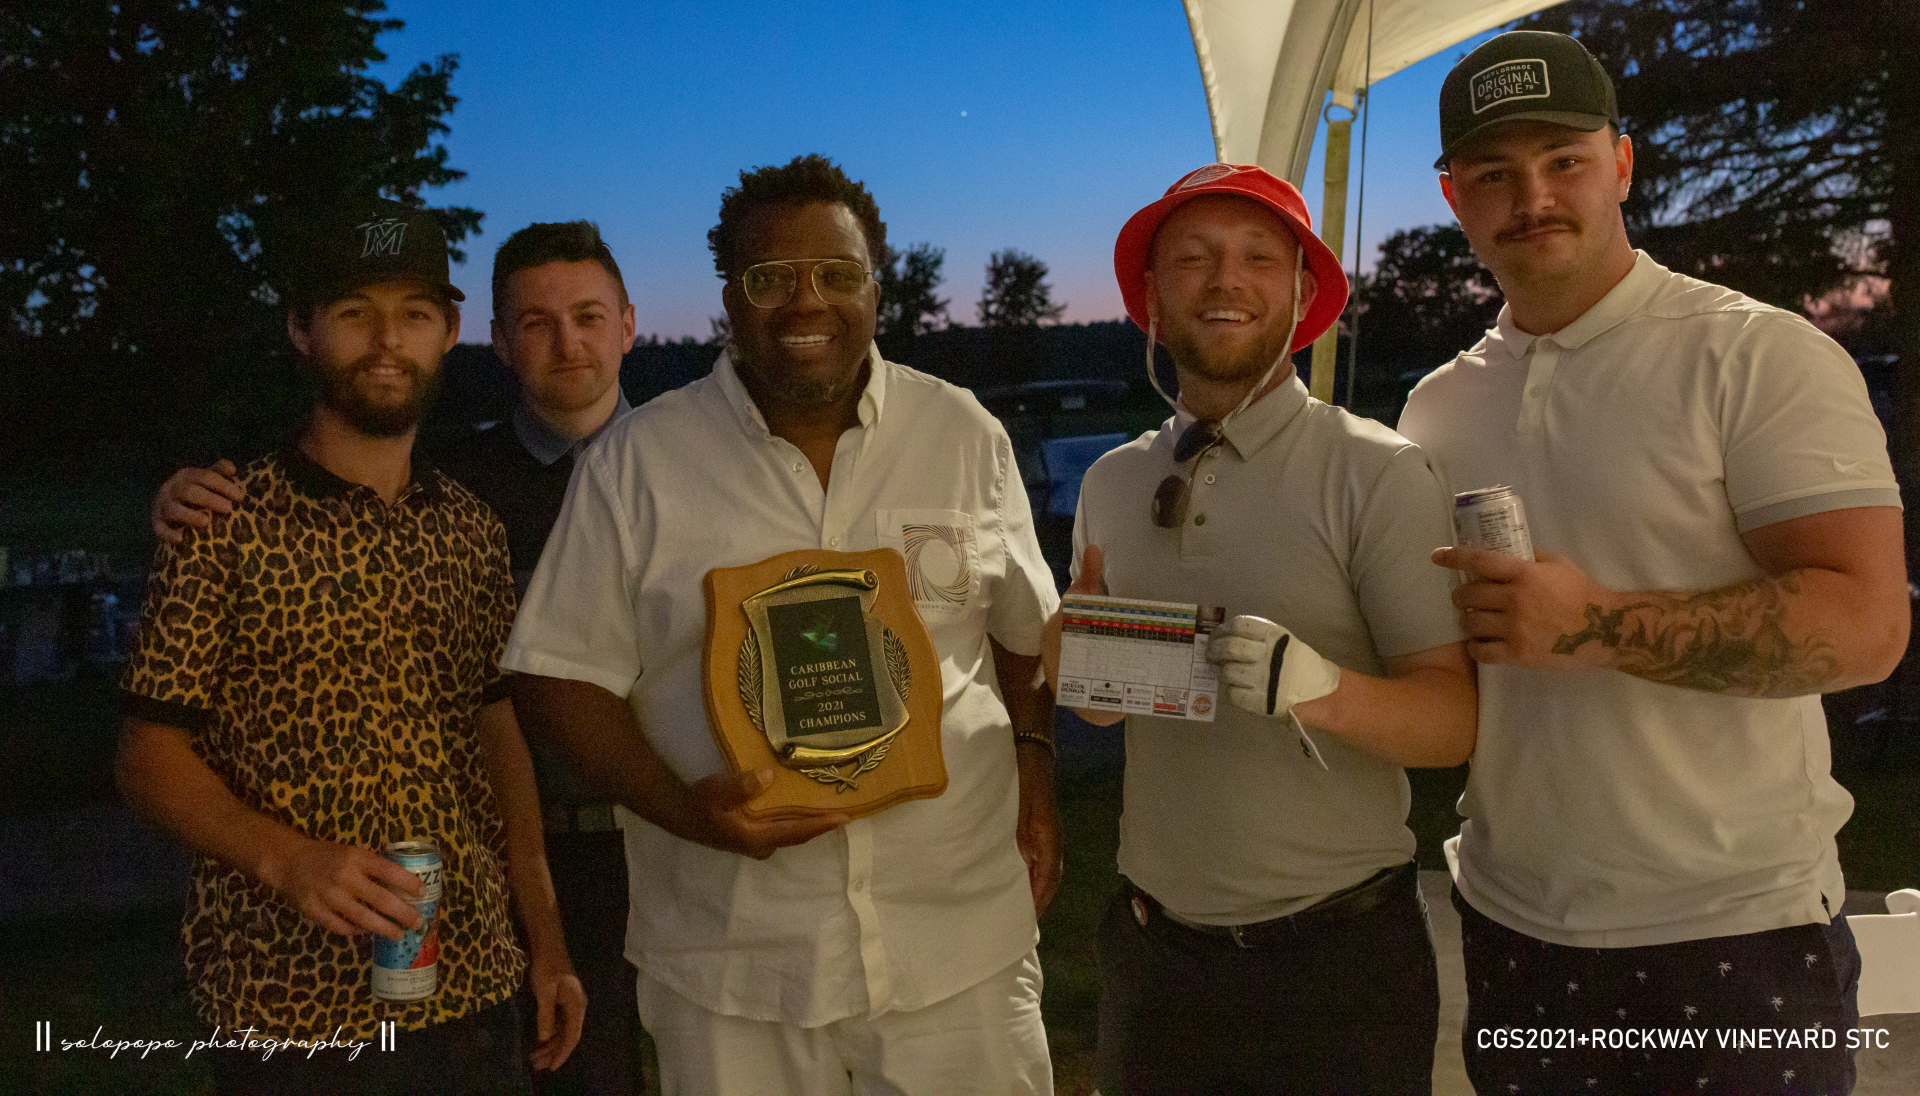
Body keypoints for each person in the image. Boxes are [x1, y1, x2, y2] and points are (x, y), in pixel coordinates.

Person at [1396, 30, 1908, 1095]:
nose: (1532, 197)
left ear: (1622, 164)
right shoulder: (1438, 406)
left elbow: (1867, 627)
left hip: (1739, 932)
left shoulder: (1756, 354)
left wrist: (1594, 625)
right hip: (1512, 925)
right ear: (1454, 198)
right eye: (1494, 174)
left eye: (1565, 161)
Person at [502, 153, 1061, 1095]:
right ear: (729, 296)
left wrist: (1036, 775)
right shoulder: (638, 463)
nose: (808, 301)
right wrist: (686, 812)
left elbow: (1021, 631)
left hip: (957, 942)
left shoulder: (963, 435)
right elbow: (556, 674)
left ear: (876, 287)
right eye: (770, 278)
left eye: (838, 274)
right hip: (733, 959)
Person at [150, 219, 644, 1096]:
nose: (386, 341)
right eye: (354, 312)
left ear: (445, 333)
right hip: (290, 994)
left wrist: (544, 940)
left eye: (413, 314)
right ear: (302, 328)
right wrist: (287, 860)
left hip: (474, 977)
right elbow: (146, 751)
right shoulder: (225, 520)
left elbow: (494, 731)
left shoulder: (465, 525)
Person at [1042, 163, 1476, 1095]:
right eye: (1192, 258)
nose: (1224, 281)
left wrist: (1326, 692)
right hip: (1154, 961)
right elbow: (1105, 711)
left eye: (1257, 258)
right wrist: (1076, 662)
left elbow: (1454, 723)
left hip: (1337, 969)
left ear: (1305, 294)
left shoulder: (1377, 472)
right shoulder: (1113, 483)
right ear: (1152, 296)